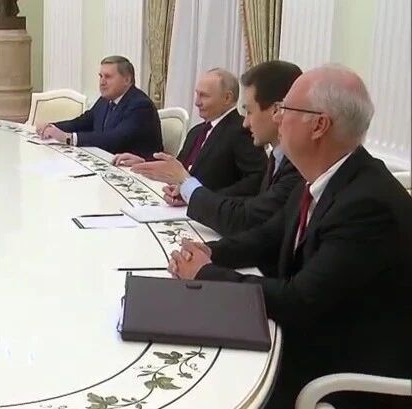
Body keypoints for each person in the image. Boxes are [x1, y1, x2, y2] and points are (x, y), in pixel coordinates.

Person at [167, 65, 412, 409]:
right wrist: (210, 251)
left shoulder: (368, 204)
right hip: (309, 335)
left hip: (343, 371)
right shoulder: (320, 176)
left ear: (319, 125)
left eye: (286, 109)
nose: (278, 117)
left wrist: (207, 274)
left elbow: (299, 300)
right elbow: (267, 237)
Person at [163, 61, 304, 236]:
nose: (246, 122)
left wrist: (190, 186)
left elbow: (250, 216)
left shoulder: (299, 166)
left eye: (249, 111)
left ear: (277, 111)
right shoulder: (278, 158)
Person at [125, 68, 266, 197]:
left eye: (204, 96)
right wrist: (145, 162)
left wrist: (204, 199)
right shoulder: (197, 131)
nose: (197, 102)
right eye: (197, 95)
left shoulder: (241, 130)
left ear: (227, 98)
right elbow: (179, 168)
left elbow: (256, 181)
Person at [36, 56, 163, 158]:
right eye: (100, 76)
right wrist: (52, 127)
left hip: (137, 172)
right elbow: (83, 122)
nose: (102, 82)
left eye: (108, 77)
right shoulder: (105, 100)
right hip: (108, 162)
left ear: (127, 80)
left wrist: (69, 138)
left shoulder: (140, 105)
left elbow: (114, 139)